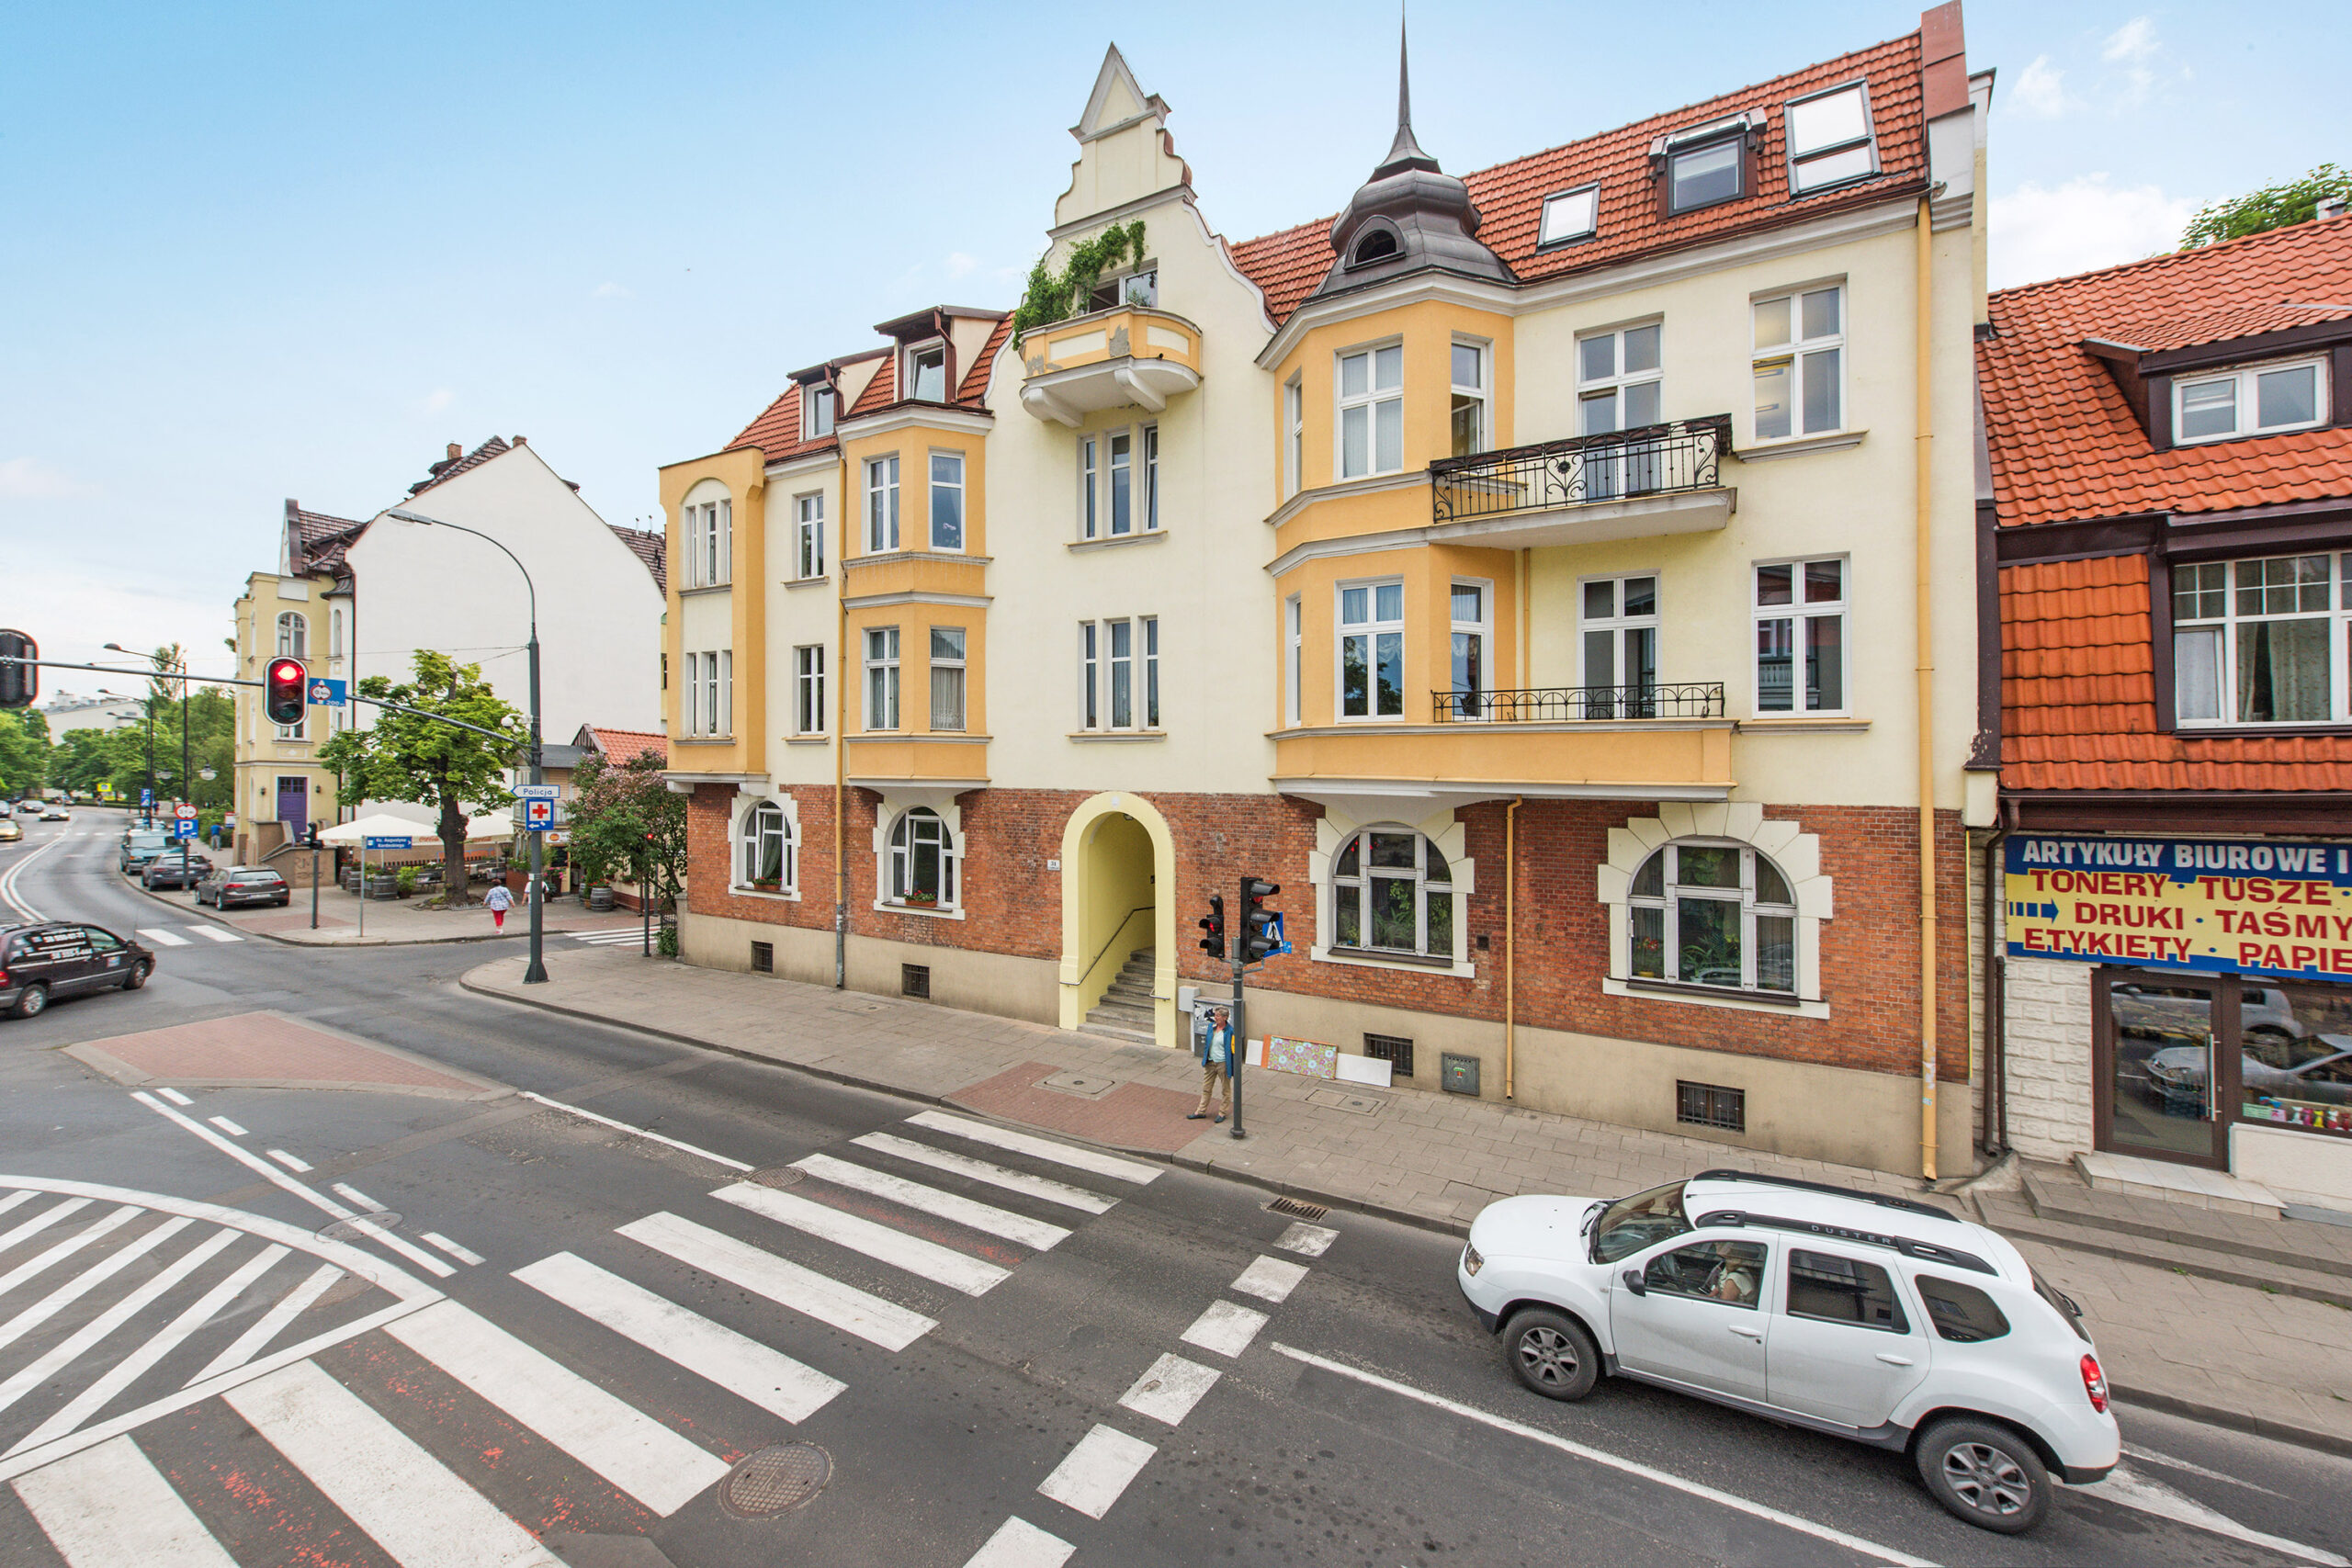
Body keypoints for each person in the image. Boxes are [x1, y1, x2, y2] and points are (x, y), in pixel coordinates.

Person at [1188, 1005, 1233, 1123]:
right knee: (1206, 1088)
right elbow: (1208, 1044)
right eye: (1215, 1015)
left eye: (1218, 1016)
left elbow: (1233, 1049)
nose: (1215, 1018)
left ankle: (1222, 1113)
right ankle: (1200, 1111)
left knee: (1225, 1089)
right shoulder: (1211, 1027)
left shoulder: (1230, 1031)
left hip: (1223, 1063)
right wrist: (1205, 1058)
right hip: (1210, 1062)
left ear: (1225, 1017)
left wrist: (1231, 1066)